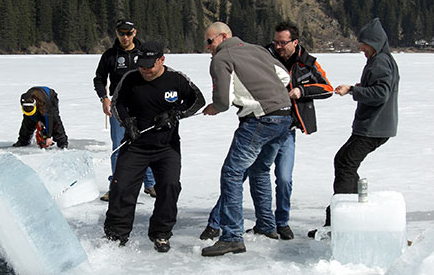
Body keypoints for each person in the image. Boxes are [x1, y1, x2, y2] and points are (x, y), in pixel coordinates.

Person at [200, 22, 292, 257]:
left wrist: (214, 107)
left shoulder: (221, 59)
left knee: (232, 173)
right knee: (260, 170)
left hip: (259, 120)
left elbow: (222, 101)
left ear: (223, 37)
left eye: (210, 41)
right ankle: (267, 226)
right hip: (284, 116)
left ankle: (231, 236)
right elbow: (283, 77)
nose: (208, 46)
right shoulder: (258, 50)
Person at [104, 41, 205, 253]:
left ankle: (161, 233)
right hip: (135, 145)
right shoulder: (130, 78)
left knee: (169, 187)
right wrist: (127, 122)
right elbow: (117, 103)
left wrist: (175, 113)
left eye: (149, 65)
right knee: (121, 188)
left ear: (161, 60)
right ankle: (116, 236)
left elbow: (197, 100)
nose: (145, 70)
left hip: (166, 147)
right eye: (141, 65)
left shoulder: (176, 79)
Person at [309, 17, 399, 237]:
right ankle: (353, 212)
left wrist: (353, 90)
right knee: (345, 161)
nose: (361, 48)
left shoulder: (380, 62)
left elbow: (381, 94)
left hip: (374, 127)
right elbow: (379, 88)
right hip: (373, 126)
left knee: (346, 163)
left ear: (375, 43)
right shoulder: (381, 60)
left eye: (364, 44)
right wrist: (361, 87)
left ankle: (340, 221)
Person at [246, 22, 333, 240]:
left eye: (283, 43)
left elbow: (327, 88)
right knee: (257, 174)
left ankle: (282, 222)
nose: (278, 46)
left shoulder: (306, 62)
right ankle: (264, 222)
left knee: (284, 178)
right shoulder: (264, 56)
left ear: (295, 42)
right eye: (276, 42)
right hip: (262, 125)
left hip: (287, 130)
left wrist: (301, 90)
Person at [93, 19, 156, 202]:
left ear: (134, 32)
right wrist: (104, 98)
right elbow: (99, 79)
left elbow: (156, 74)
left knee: (145, 142)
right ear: (117, 33)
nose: (125, 37)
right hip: (119, 105)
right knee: (119, 146)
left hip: (143, 104)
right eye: (122, 33)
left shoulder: (143, 52)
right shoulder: (110, 55)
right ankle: (116, 186)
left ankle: (150, 183)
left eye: (128, 33)